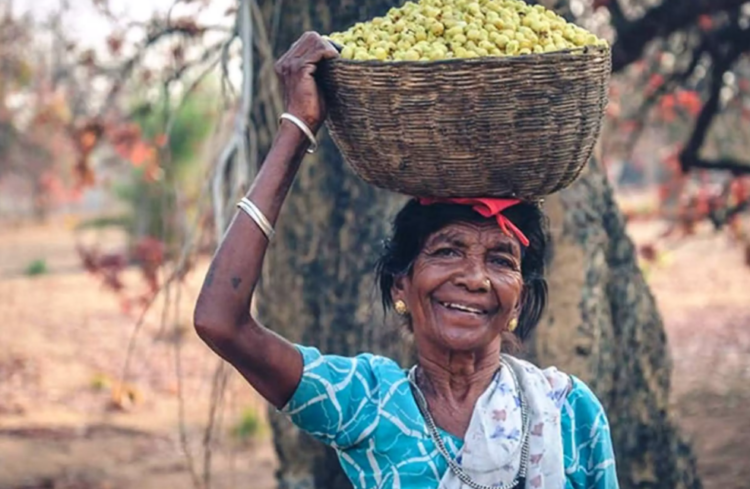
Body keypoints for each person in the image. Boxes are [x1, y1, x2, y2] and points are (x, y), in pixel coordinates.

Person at [193, 32, 618, 489]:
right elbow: (222, 322)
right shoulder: (368, 404)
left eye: (500, 260)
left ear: (520, 299)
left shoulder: (569, 411)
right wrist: (297, 127)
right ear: (401, 283)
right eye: (447, 251)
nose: (475, 278)